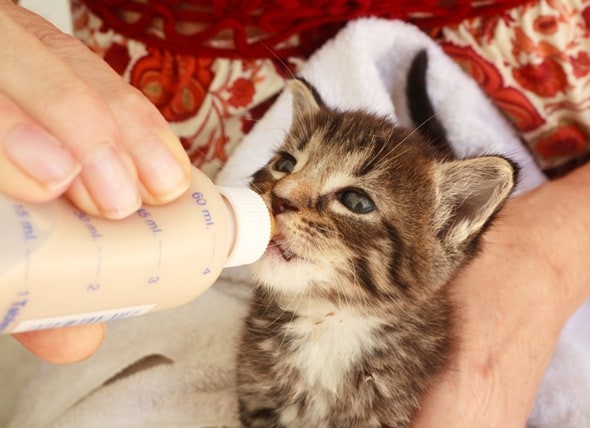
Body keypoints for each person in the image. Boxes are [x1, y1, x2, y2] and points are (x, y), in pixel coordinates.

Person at [2, 0, 589, 426]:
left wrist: (546, 263)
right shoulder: (265, 324)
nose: (284, 196)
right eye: (284, 165)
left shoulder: (417, 345)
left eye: (353, 201)